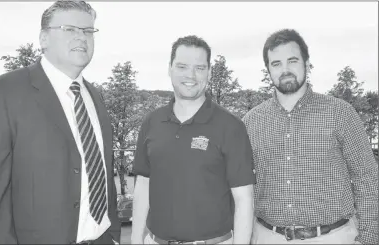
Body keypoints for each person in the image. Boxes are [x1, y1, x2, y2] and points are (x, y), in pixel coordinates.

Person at [0, 1, 121, 244]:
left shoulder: (94, 96)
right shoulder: (2, 93)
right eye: (69, 29)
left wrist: (113, 235)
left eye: (88, 31)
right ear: (44, 39)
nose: (81, 37)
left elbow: (102, 173)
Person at [243, 29, 378, 244]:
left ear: (307, 63)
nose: (285, 69)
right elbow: (242, 185)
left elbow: (367, 178)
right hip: (267, 236)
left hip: (334, 237)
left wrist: (369, 238)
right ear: (268, 69)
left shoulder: (340, 113)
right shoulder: (252, 121)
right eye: (276, 63)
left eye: (292, 61)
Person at [130, 35, 256, 244]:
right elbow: (143, 184)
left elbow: (244, 199)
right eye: (182, 66)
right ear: (169, 68)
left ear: (209, 72)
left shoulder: (231, 126)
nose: (191, 75)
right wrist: (135, 239)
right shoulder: (152, 121)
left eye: (199, 68)